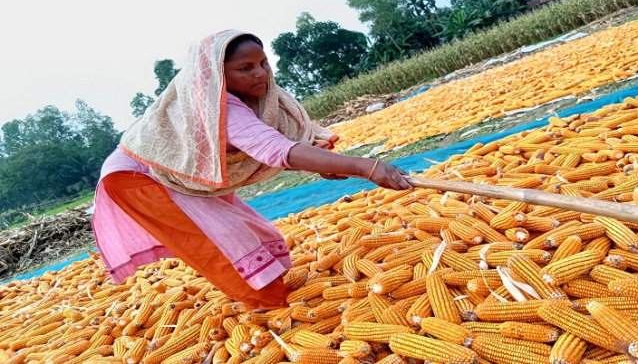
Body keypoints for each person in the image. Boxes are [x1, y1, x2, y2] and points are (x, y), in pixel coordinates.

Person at [91, 30, 412, 309]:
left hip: (185, 172)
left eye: (263, 63)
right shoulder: (222, 110)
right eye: (245, 68)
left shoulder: (257, 98)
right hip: (141, 178)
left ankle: (276, 284)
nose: (260, 74)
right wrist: (368, 168)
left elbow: (280, 140)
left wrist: (321, 164)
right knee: (220, 238)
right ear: (217, 75)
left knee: (251, 228)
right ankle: (270, 301)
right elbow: (277, 151)